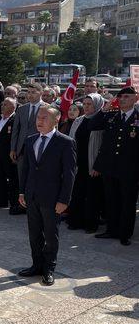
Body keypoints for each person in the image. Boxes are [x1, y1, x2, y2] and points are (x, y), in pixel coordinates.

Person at [18, 106, 77, 286]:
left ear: (56, 119)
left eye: (44, 117)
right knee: (34, 234)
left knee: (51, 235)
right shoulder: (30, 140)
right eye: (38, 117)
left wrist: (63, 200)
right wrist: (22, 192)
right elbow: (26, 169)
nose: (39, 121)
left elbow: (69, 174)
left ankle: (49, 268)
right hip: (32, 196)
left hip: (52, 199)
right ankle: (36, 265)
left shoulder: (65, 142)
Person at [90, 87, 139, 246]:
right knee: (111, 200)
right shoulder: (111, 116)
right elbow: (93, 125)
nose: (123, 99)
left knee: (128, 202)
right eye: (120, 97)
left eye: (126, 96)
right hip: (110, 168)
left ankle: (125, 233)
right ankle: (112, 230)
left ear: (135, 99)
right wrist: (105, 108)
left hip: (130, 170)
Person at [66, 94, 104, 233]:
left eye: (90, 104)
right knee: (77, 192)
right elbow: (71, 141)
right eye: (85, 104)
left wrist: (97, 166)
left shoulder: (102, 121)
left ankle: (90, 224)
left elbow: (103, 147)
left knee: (92, 195)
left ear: (97, 105)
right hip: (79, 163)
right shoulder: (78, 120)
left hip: (93, 164)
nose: (86, 107)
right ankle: (76, 220)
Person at [0, 97, 23, 213]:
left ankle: (14, 203)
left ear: (13, 107)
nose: (2, 106)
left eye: (5, 104)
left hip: (10, 156)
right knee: (0, 178)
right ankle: (2, 200)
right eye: (2, 104)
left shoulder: (16, 119)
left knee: (13, 180)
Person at [10, 83, 47, 176]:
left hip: (39, 147)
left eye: (33, 92)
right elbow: (16, 130)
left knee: (37, 176)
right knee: (22, 176)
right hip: (22, 149)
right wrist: (13, 149)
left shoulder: (48, 108)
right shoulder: (21, 109)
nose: (30, 95)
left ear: (41, 93)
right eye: (29, 92)